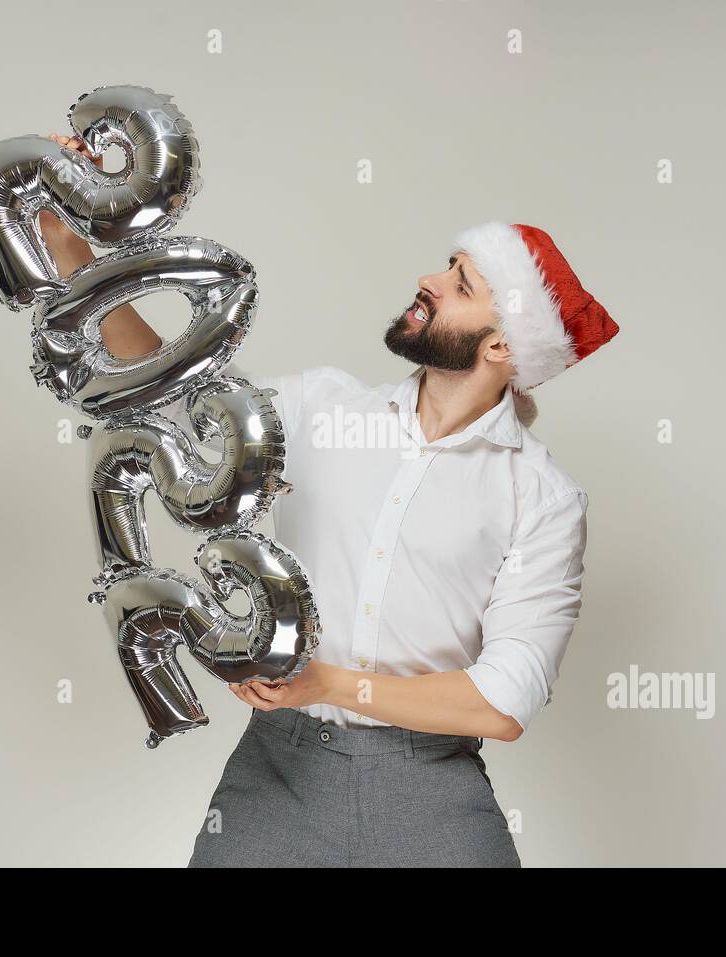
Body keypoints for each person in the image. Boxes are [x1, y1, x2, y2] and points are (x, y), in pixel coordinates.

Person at [40, 134, 620, 867]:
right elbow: (180, 394)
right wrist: (69, 248)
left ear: (503, 346)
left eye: (462, 283)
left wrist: (327, 683)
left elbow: (503, 702)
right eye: (448, 265)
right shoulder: (320, 410)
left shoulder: (541, 497)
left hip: (431, 794)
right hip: (277, 778)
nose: (430, 280)